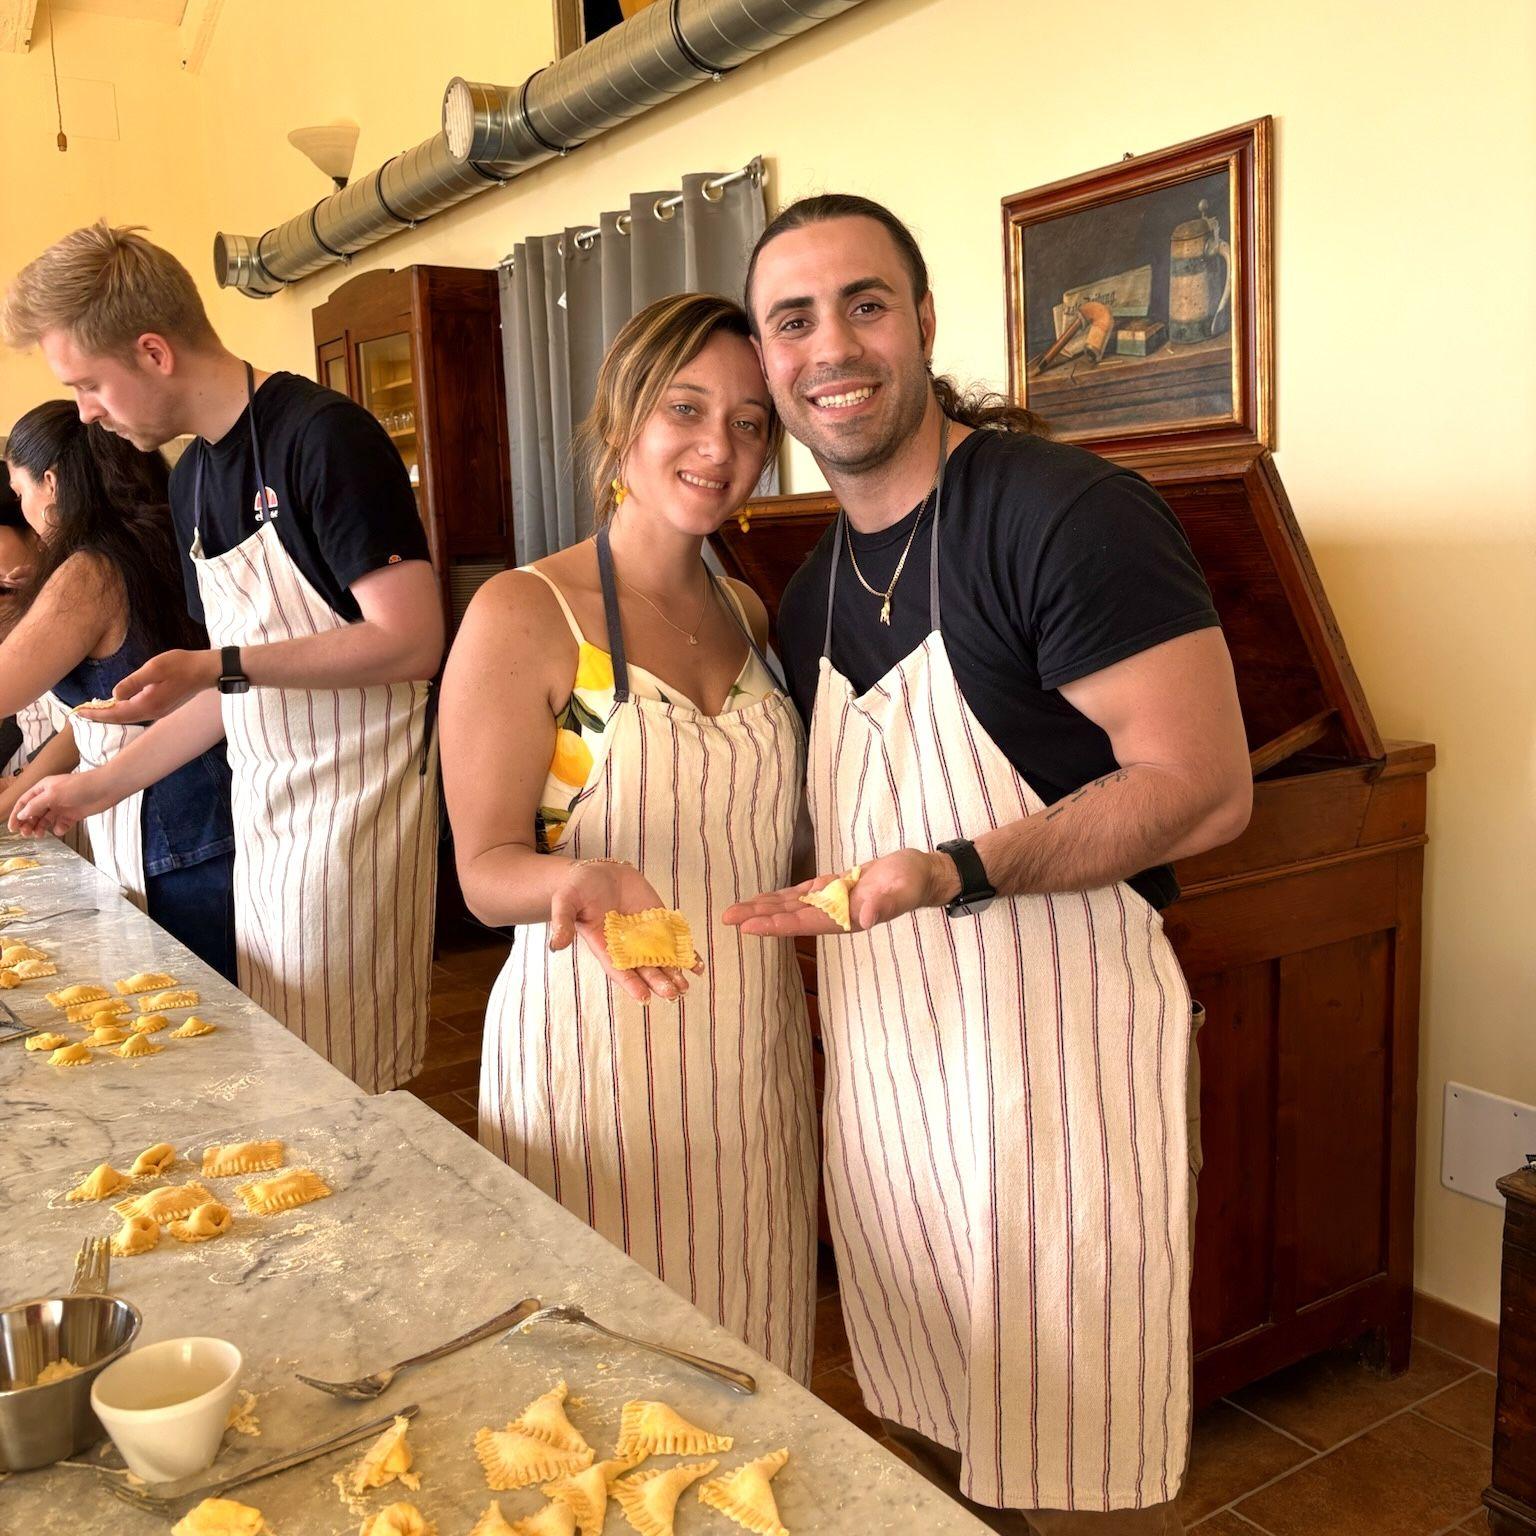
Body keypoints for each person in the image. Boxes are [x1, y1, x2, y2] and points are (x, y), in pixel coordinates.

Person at [726, 196, 1254, 1531]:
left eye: (865, 303)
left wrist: (955, 869)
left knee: (1075, 1432)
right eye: (794, 319)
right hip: (893, 1067)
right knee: (946, 1419)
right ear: (768, 358)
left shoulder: (1066, 515)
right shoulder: (809, 590)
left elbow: (1205, 791)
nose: (831, 345)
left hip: (1054, 1067)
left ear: (923, 323)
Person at [440, 293, 817, 1381]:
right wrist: (580, 876)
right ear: (622, 421)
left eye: (751, 423)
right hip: (594, 1069)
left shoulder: (749, 613)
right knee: (607, 1387)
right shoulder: (526, 613)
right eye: (686, 410)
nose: (720, 447)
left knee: (759, 1367)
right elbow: (482, 871)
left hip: (751, 1063)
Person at [3, 223, 443, 1093]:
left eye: (88, 383)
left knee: (346, 1086)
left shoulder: (322, 438)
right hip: (266, 824)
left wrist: (218, 665)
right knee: (280, 1075)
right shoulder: (192, 476)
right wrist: (98, 786)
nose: (85, 411)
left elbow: (412, 640)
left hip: (352, 829)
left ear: (154, 351)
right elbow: (236, 686)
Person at [1, 401, 236, 976]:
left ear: (51, 483)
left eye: (20, 489)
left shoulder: (91, 571)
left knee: (200, 1008)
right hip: (203, 808)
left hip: (175, 824)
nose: (24, 507)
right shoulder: (150, 538)